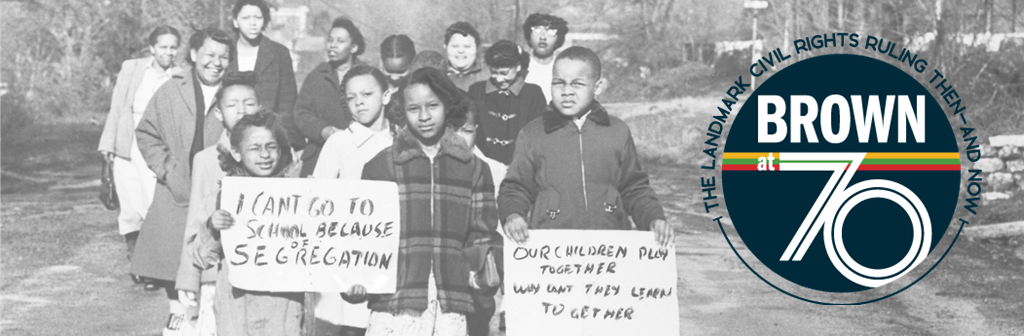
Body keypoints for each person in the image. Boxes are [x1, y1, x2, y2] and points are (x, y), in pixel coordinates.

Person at [348, 67, 503, 336]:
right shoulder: (381, 165)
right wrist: (357, 279)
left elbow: (482, 234)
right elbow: (363, 237)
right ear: (402, 111)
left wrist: (481, 274)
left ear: (447, 106)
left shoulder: (473, 168)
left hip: (450, 304)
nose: (424, 116)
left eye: (433, 105)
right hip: (396, 303)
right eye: (413, 108)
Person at [498, 46, 673, 245]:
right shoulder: (532, 134)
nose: (566, 92)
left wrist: (654, 218)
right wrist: (512, 214)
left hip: (610, 247)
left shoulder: (617, 131)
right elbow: (515, 188)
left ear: (597, 87)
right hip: (552, 251)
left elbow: (634, 188)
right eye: (559, 83)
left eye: (577, 84)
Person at [134, 27, 232, 336]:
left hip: (217, 194)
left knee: (211, 267)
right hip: (176, 191)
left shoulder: (234, 93)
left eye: (223, 57)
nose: (216, 63)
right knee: (172, 266)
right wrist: (168, 170)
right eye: (209, 55)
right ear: (193, 55)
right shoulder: (170, 89)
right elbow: (146, 133)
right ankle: (177, 324)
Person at [188, 111, 304, 336]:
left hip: (285, 309)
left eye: (271, 146)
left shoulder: (297, 197)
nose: (264, 154)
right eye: (254, 147)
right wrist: (212, 227)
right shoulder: (222, 198)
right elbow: (199, 257)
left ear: (280, 151)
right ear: (236, 153)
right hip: (237, 308)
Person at [174, 71, 262, 335]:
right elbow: (195, 223)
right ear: (218, 113)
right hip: (216, 273)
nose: (242, 110)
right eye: (232, 105)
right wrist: (189, 278)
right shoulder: (206, 160)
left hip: (261, 271)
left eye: (249, 103)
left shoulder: (275, 155)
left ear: (260, 108)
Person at [310, 65, 395, 336]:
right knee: (349, 327)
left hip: (389, 257)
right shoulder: (338, 144)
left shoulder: (403, 142)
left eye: (367, 93)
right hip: (345, 256)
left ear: (387, 94)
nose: (359, 102)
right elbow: (317, 205)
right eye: (350, 97)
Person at [97, 25, 182, 283]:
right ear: (152, 48)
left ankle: (152, 265)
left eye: (173, 47)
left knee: (151, 202)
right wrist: (108, 146)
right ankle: (135, 260)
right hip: (127, 141)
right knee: (129, 205)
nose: (168, 52)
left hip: (157, 144)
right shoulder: (132, 68)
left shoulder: (180, 76)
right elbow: (118, 106)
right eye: (163, 47)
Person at [454, 100, 508, 336]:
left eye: (466, 131)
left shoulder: (494, 169)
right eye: (452, 130)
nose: (458, 138)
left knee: (480, 323)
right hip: (447, 268)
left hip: (481, 270)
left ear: (477, 128)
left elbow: (502, 228)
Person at [294, 17, 366, 177]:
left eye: (340, 41)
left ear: (353, 47)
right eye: (330, 40)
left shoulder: (367, 76)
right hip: (319, 156)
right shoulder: (317, 76)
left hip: (358, 155)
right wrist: (323, 130)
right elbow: (301, 113)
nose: (333, 45)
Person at [227, 0, 303, 151]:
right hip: (229, 136)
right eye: (246, 18)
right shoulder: (225, 51)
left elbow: (287, 104)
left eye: (258, 17)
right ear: (236, 21)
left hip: (267, 138)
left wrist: (289, 144)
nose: (253, 23)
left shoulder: (278, 54)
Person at [467, 40, 547, 166]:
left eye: (504, 73)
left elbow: (537, 137)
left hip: (521, 167)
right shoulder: (476, 91)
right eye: (494, 72)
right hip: (483, 165)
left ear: (518, 67)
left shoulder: (533, 94)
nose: (499, 79)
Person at [521, 13, 569, 103]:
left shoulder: (564, 69)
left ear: (558, 39)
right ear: (529, 36)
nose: (543, 37)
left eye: (551, 32)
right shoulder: (519, 68)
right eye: (537, 31)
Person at [443, 22, 488, 91]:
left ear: (476, 47)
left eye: (467, 46)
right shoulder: (436, 76)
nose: (461, 51)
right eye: (455, 46)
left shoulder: (488, 77)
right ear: (445, 46)